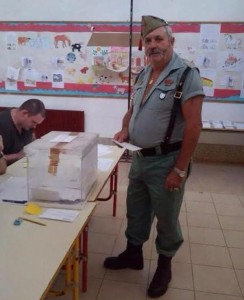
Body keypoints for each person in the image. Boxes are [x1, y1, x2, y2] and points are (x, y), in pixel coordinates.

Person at [104, 15, 204, 298]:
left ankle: (164, 264)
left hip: (167, 162)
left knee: (166, 217)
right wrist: (125, 129)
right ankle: (133, 253)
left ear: (171, 42)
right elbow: (134, 109)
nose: (153, 45)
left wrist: (180, 170)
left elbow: (194, 126)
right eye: (148, 40)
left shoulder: (186, 74)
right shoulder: (144, 73)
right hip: (139, 158)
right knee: (136, 209)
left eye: (159, 39)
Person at [0, 98, 46, 165]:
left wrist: (36, 146)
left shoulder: (27, 124)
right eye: (34, 122)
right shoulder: (2, 123)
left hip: (22, 165)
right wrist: (17, 156)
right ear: (24, 113)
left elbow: (32, 138)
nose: (34, 126)